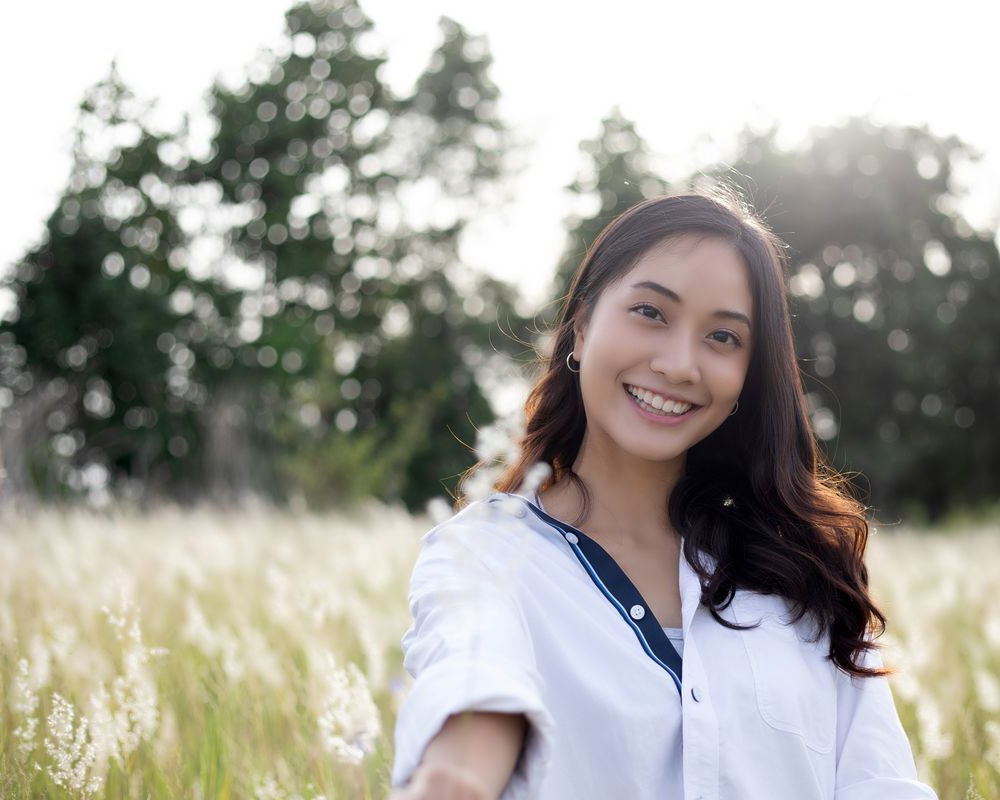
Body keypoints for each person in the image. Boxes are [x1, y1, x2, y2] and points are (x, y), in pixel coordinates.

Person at [389, 186, 938, 799]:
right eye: (650, 313)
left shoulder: (807, 568)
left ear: (749, 376)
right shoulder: (487, 556)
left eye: (724, 337)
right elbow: (474, 700)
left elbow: (881, 783)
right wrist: (455, 779)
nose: (680, 364)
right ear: (579, 325)